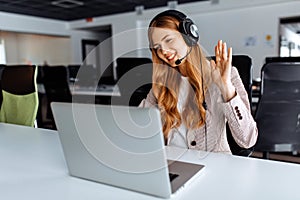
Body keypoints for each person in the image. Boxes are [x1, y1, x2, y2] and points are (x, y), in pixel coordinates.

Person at [139, 10, 258, 154]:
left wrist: (226, 87)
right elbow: (139, 123)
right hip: (172, 164)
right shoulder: (161, 84)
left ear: (189, 36)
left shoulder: (227, 75)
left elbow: (247, 140)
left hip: (213, 166)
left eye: (169, 40)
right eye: (157, 47)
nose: (163, 51)